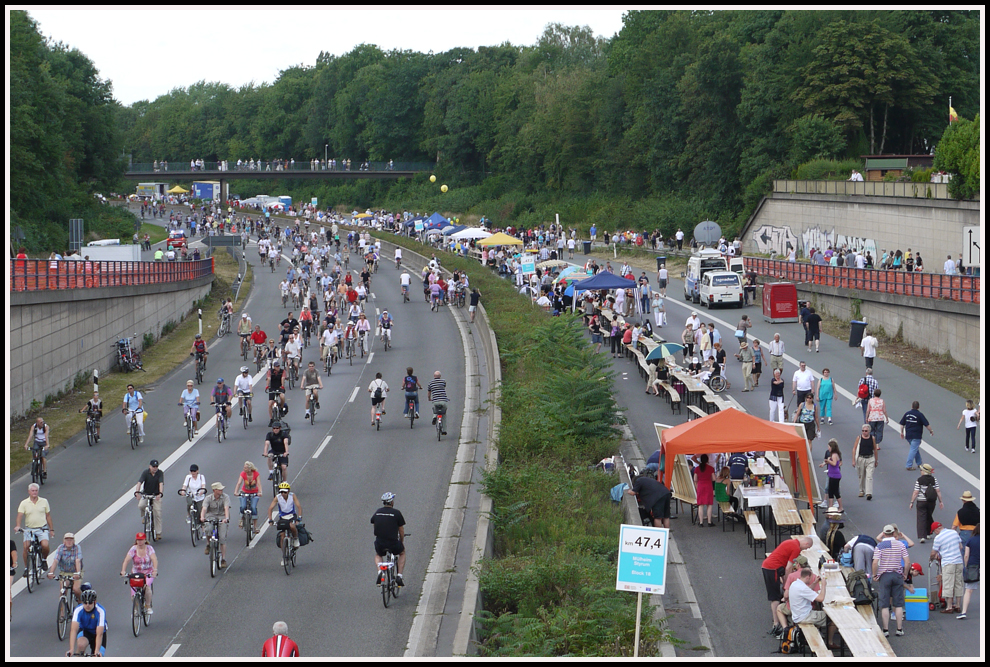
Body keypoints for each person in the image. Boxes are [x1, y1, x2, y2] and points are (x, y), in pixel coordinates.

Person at [762, 536, 813, 636]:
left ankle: (778, 621)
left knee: (776, 595)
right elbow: (788, 567)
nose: (805, 549)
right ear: (806, 544)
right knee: (775, 596)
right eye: (807, 548)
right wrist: (787, 584)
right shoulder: (796, 548)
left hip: (769, 566)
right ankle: (776, 624)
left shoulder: (790, 542)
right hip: (772, 568)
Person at [872, 524, 909, 637]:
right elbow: (907, 562)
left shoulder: (880, 545)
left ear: (883, 533)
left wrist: (875, 575)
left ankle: (886, 630)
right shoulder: (900, 544)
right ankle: (899, 629)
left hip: (884, 575)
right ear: (894, 533)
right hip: (897, 574)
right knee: (898, 604)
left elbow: (875, 562)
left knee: (884, 604)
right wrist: (905, 574)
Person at [371, 492, 406, 587]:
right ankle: (399, 575)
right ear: (391, 502)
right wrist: (401, 541)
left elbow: (374, 525)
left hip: (380, 542)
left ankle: (380, 572)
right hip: (393, 542)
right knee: (402, 553)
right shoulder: (396, 513)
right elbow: (401, 531)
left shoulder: (377, 512)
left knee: (378, 555)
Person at [930, 521, 964, 614]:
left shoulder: (938, 538)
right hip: (959, 561)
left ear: (936, 530)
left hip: (948, 563)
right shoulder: (954, 532)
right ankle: (957, 605)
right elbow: (960, 546)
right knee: (958, 583)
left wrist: (932, 558)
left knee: (948, 584)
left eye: (934, 531)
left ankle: (949, 607)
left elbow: (933, 553)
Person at [119, 532, 158, 614]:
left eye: (141, 540)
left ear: (145, 540)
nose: (140, 542)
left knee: (146, 587)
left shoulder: (149, 549)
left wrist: (155, 570)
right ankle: (136, 607)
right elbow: (127, 560)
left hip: (148, 573)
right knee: (133, 594)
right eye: (138, 540)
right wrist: (123, 571)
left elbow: (154, 559)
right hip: (136, 573)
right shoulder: (133, 549)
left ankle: (148, 606)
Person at [66, 586, 107, 657]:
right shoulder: (78, 610)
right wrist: (71, 649)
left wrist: (97, 651)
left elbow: (99, 634)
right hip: (85, 631)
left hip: (98, 634)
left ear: (95, 602)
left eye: (90, 603)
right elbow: (73, 630)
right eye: (85, 603)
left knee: (97, 656)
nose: (87, 605)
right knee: (81, 645)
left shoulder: (100, 611)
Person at [267, 482, 303, 559]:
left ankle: (296, 539)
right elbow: (270, 508)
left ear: (288, 491)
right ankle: (284, 555)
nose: (283, 494)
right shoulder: (277, 497)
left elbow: (299, 506)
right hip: (283, 517)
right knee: (282, 536)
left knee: (292, 526)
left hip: (291, 515)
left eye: (285, 492)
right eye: (281, 492)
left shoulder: (292, 496)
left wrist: (299, 517)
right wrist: (270, 520)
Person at [909, 464, 943, 542]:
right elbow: (938, 490)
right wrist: (940, 501)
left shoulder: (919, 480)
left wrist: (912, 502)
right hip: (931, 502)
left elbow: (916, 492)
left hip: (921, 501)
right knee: (928, 516)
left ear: (924, 471)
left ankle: (922, 536)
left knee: (921, 518)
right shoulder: (934, 479)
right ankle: (928, 533)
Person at [201, 482, 231, 569]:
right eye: (219, 489)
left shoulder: (225, 497)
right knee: (208, 529)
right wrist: (202, 517)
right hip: (211, 516)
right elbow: (204, 508)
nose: (221, 490)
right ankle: (208, 544)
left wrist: (226, 518)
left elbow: (226, 508)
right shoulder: (208, 498)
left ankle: (223, 559)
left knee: (222, 538)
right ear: (214, 490)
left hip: (222, 516)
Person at [47, 532, 83, 603]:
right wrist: (51, 572)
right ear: (64, 541)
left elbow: (77, 560)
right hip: (64, 572)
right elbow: (55, 561)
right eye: (67, 540)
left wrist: (78, 573)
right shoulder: (61, 548)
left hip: (75, 571)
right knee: (63, 590)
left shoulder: (77, 548)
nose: (69, 542)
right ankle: (62, 612)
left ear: (74, 541)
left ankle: (80, 602)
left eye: (71, 540)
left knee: (76, 589)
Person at [134, 459, 165, 540]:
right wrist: (137, 492)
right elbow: (139, 482)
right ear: (150, 467)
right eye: (153, 466)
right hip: (146, 494)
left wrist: (160, 493)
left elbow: (161, 484)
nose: (155, 468)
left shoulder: (160, 473)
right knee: (141, 505)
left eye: (156, 466)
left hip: (155, 495)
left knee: (157, 512)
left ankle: (158, 533)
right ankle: (145, 515)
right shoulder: (145, 473)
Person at [899, 400, 934, 471]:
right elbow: (927, 425)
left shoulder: (907, 414)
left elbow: (902, 424)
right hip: (916, 435)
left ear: (911, 406)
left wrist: (902, 432)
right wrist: (931, 431)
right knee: (913, 449)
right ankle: (908, 465)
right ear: (918, 407)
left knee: (915, 448)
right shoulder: (920, 415)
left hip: (908, 435)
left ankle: (919, 463)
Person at [959, 524, 979, 620]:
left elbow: (966, 555)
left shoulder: (970, 540)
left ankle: (963, 612)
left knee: (968, 590)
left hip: (973, 566)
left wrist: (966, 566)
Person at [851, 424, 877, 501]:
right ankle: (861, 490)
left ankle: (869, 493)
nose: (864, 432)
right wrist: (853, 460)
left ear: (869, 431)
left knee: (869, 476)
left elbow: (875, 449)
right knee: (861, 475)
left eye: (866, 431)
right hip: (861, 459)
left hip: (870, 458)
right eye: (863, 431)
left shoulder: (872, 438)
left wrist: (876, 460)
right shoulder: (859, 438)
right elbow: (854, 449)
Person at [179, 464, 207, 528]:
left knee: (201, 512)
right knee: (189, 503)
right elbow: (184, 486)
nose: (193, 473)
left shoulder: (201, 477)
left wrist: (202, 491)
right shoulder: (188, 477)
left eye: (194, 471)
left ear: (197, 471)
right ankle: (188, 515)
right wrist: (183, 491)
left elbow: (203, 485)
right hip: (191, 494)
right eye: (191, 471)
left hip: (199, 495)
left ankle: (203, 529)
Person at [818, 439, 843, 511]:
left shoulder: (835, 455)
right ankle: (830, 506)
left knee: (835, 491)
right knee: (830, 491)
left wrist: (829, 461)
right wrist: (825, 463)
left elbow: (834, 463)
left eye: (829, 446)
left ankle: (841, 507)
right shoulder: (831, 454)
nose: (828, 448)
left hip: (835, 475)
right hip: (831, 474)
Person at [692, 454, 716, 526]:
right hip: (708, 486)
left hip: (700, 486)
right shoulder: (710, 468)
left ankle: (701, 522)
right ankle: (709, 521)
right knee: (709, 504)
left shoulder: (697, 469)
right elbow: (713, 479)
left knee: (700, 505)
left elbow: (695, 479)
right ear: (707, 460)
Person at [266, 360, 287, 425]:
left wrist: (282, 386)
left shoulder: (282, 371)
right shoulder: (270, 371)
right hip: (272, 387)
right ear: (274, 367)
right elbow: (269, 378)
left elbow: (283, 378)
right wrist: (267, 386)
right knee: (270, 403)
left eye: (278, 366)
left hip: (279, 387)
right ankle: (271, 419)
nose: (278, 367)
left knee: (282, 397)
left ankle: (281, 407)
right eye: (276, 366)